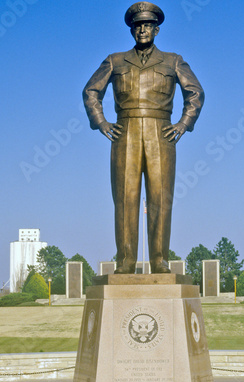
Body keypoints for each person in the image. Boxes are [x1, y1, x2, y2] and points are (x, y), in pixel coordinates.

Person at [83, 2, 204, 274]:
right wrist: (100, 121)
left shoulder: (173, 61)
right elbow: (91, 91)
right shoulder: (115, 61)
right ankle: (125, 262)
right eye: (138, 26)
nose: (142, 30)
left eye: (147, 25)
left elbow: (195, 93)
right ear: (131, 30)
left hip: (161, 133)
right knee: (125, 200)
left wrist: (184, 123)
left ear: (157, 29)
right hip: (125, 133)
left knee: (160, 198)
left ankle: (159, 261)